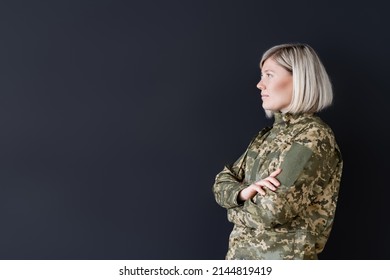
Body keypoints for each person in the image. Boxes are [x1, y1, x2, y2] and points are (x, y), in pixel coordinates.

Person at [212, 43, 343, 260]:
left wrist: (232, 209)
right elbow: (221, 182)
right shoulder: (266, 136)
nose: (260, 84)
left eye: (269, 75)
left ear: (299, 79)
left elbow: (272, 210)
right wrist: (244, 193)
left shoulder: (312, 136)